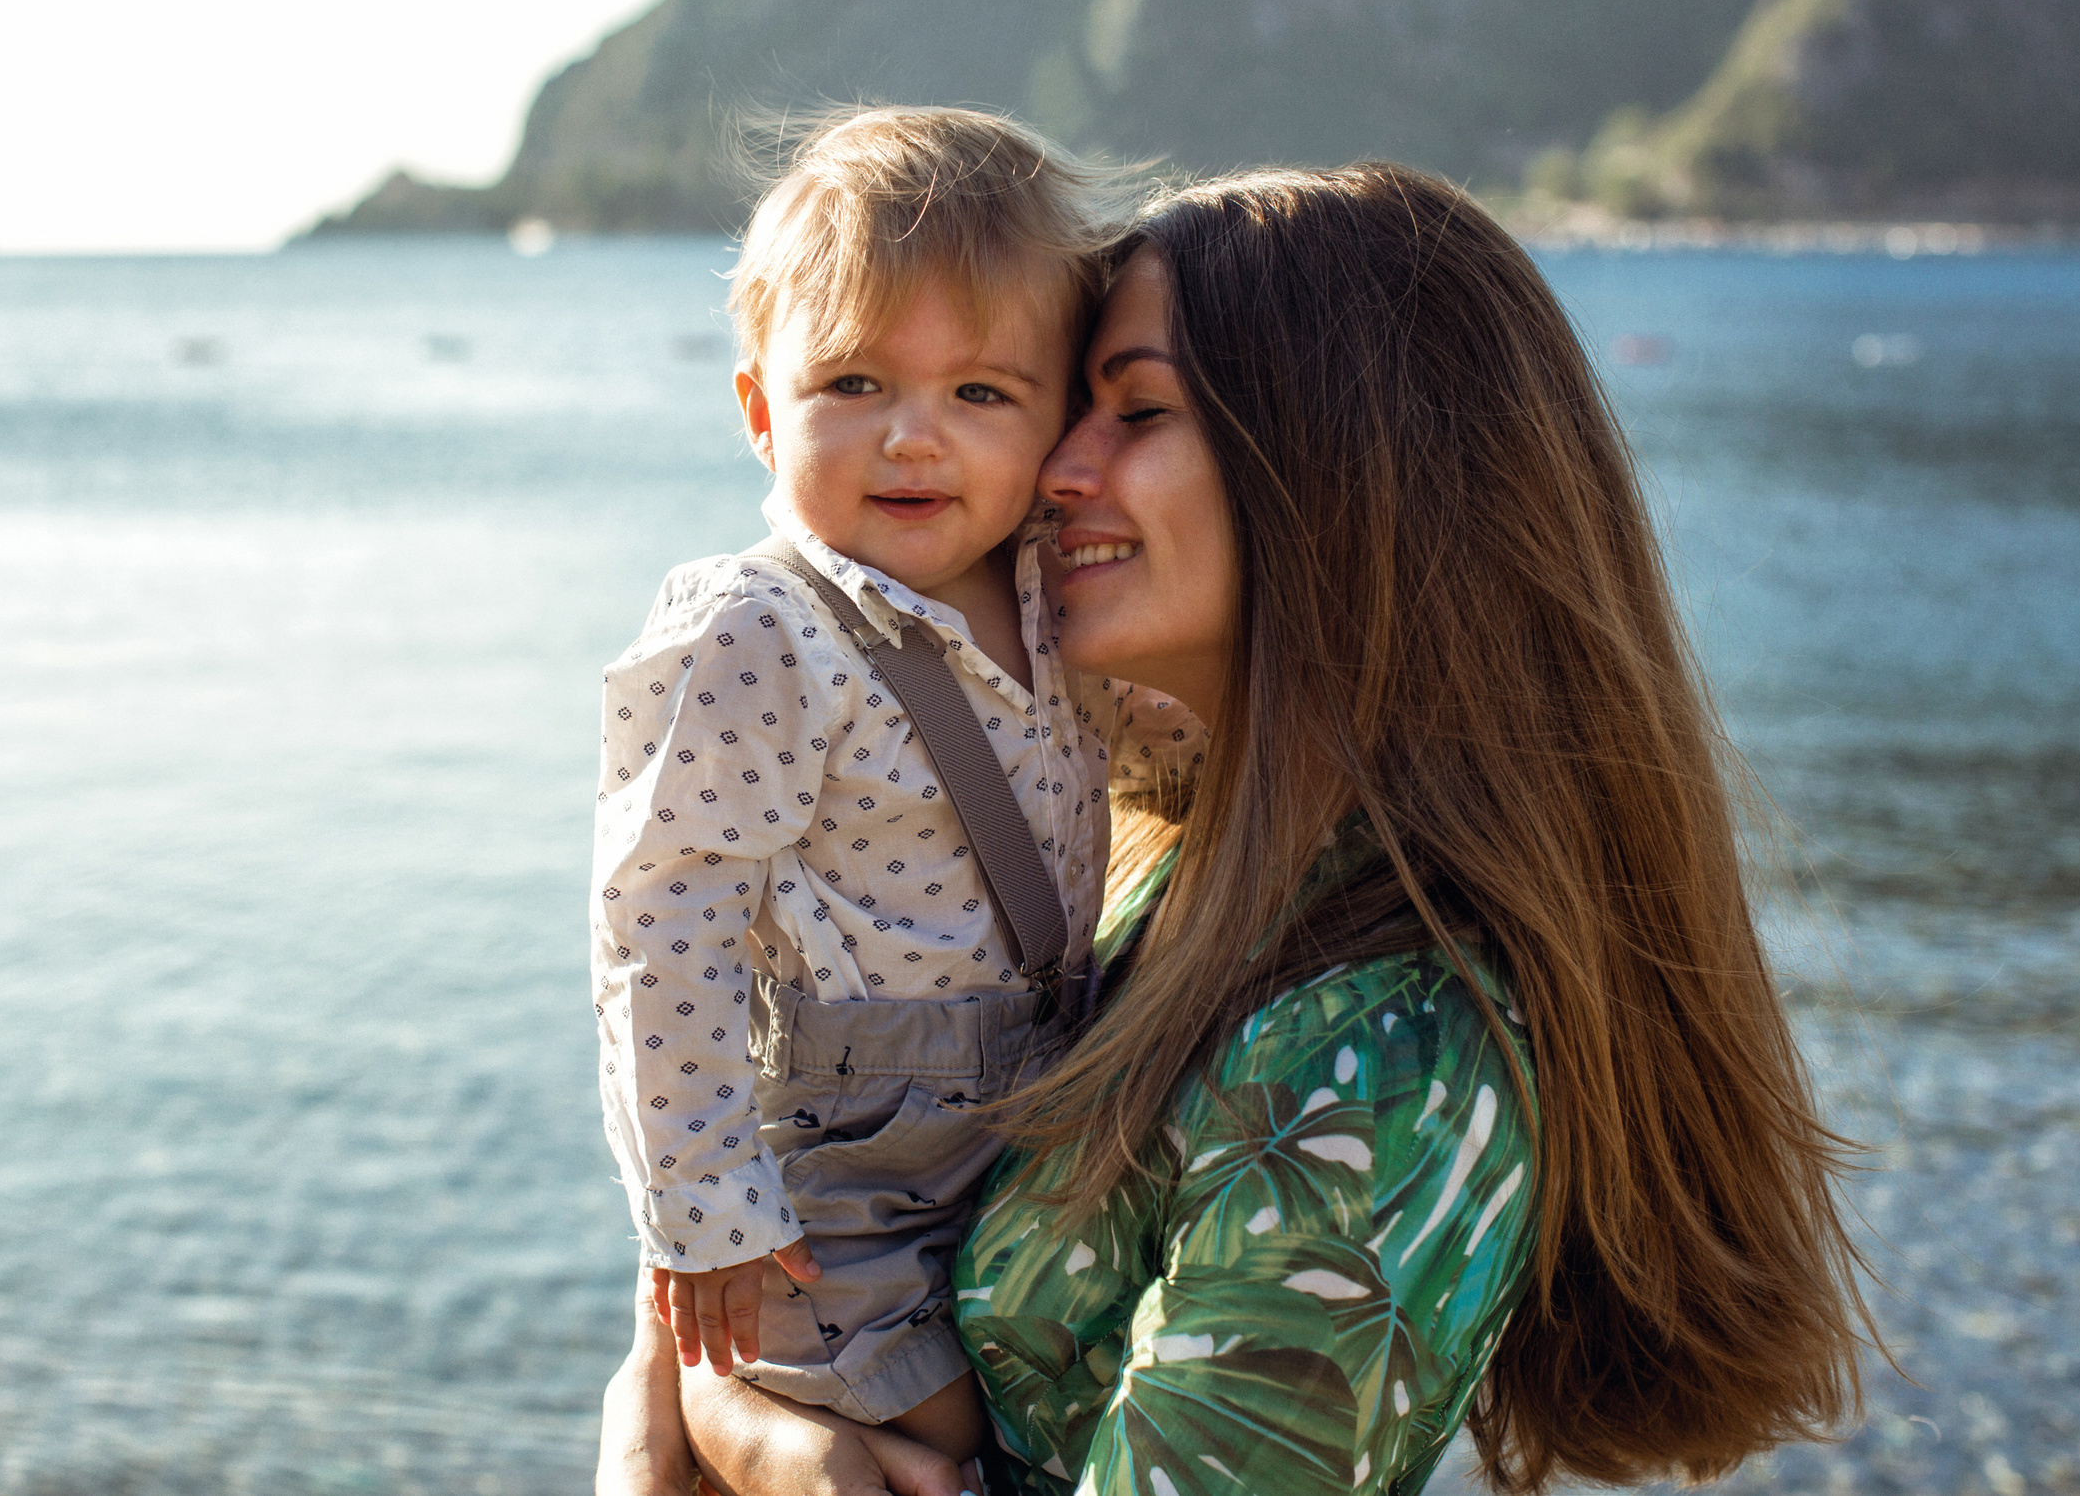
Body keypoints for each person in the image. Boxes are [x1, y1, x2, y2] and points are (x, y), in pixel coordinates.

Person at [601, 162, 1874, 1496]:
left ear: (1346, 469)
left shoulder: (1387, 1055)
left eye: (1132, 408)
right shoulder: (1164, 864)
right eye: (1067, 403)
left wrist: (710, 1446)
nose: (1054, 470)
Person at [590, 107, 1133, 1470]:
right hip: (843, 1156)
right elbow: (664, 920)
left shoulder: (1050, 597)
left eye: (980, 394)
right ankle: (737, 1423)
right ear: (762, 409)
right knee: (945, 1435)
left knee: (1030, 1412)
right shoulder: (762, 629)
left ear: (1057, 418)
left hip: (1019, 1109)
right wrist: (701, 1204)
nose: (913, 439)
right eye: (854, 384)